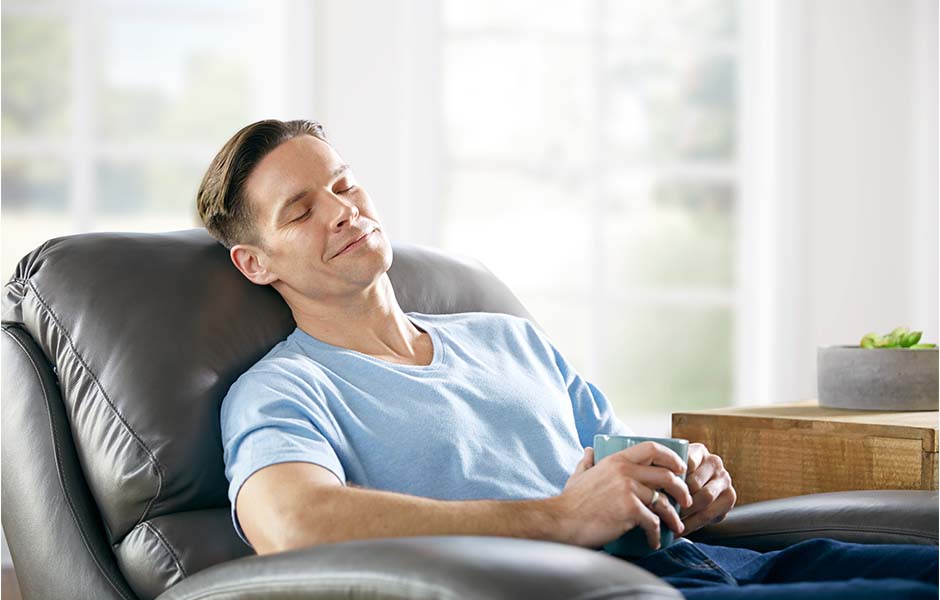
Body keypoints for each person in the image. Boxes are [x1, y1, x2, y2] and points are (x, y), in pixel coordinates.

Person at [196, 118, 938, 599]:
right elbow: (291, 523)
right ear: (256, 264)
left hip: (711, 566)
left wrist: (688, 483)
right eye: (301, 210)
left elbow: (610, 467)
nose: (341, 209)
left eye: (344, 184)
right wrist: (556, 518)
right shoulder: (283, 390)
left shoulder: (502, 336)